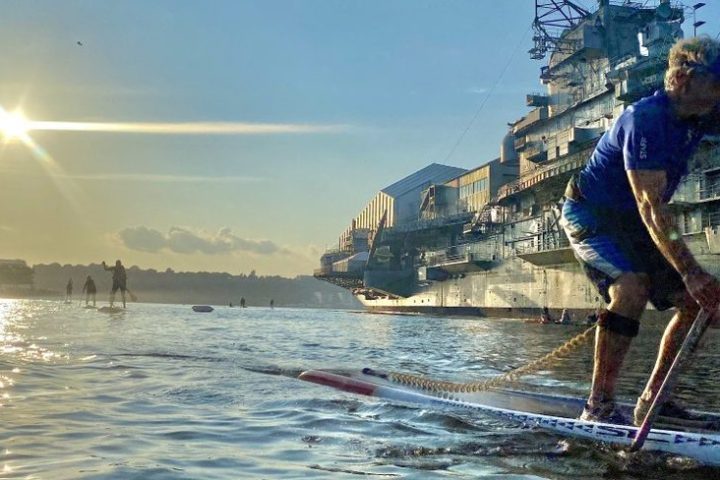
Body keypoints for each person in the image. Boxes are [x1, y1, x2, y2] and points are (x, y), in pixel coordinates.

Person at [560, 37, 720, 425]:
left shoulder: (704, 113)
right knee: (630, 287)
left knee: (699, 304)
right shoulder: (644, 119)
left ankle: (654, 399)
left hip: (635, 217)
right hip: (592, 213)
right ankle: (597, 406)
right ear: (684, 79)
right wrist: (691, 270)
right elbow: (651, 208)